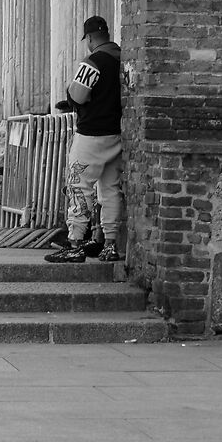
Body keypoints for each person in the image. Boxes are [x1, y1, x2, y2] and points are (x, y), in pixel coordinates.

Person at [47, 17, 125, 263]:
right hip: (116, 134)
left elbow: (78, 96)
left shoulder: (93, 62)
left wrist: (70, 94)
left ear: (89, 39)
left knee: (78, 186)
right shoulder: (122, 59)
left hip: (91, 135)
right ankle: (110, 244)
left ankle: (75, 243)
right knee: (110, 189)